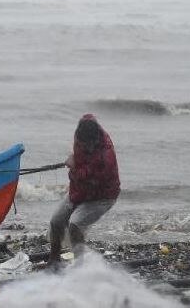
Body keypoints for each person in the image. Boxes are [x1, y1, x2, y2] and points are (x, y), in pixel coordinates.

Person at [48, 114, 120, 268]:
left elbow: (91, 181)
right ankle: (54, 261)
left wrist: (73, 167)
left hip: (102, 197)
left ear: (95, 140)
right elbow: (80, 172)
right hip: (79, 191)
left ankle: (80, 267)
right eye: (82, 143)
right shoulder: (80, 134)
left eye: (88, 145)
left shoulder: (105, 155)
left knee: (75, 224)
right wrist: (74, 163)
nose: (84, 147)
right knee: (56, 221)